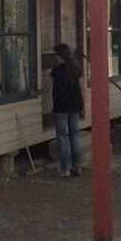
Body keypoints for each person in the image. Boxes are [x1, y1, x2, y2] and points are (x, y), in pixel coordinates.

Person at [51, 43, 85, 178]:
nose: (55, 58)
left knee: (63, 137)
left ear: (60, 56)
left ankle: (66, 168)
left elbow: (53, 91)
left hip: (61, 107)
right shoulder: (77, 69)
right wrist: (84, 106)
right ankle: (78, 166)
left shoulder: (57, 71)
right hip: (75, 106)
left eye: (56, 55)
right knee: (75, 135)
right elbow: (82, 89)